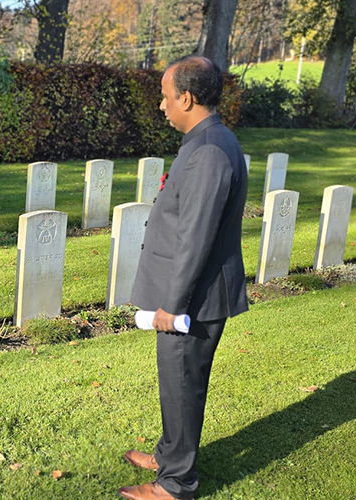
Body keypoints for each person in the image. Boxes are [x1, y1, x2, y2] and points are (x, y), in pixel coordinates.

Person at [118, 55, 250, 500]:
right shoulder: (206, 140)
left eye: (166, 97)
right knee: (178, 382)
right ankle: (170, 453)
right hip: (193, 293)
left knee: (182, 384)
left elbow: (195, 237)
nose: (162, 106)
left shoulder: (210, 150)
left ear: (187, 98)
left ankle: (175, 484)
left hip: (195, 299)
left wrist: (171, 304)